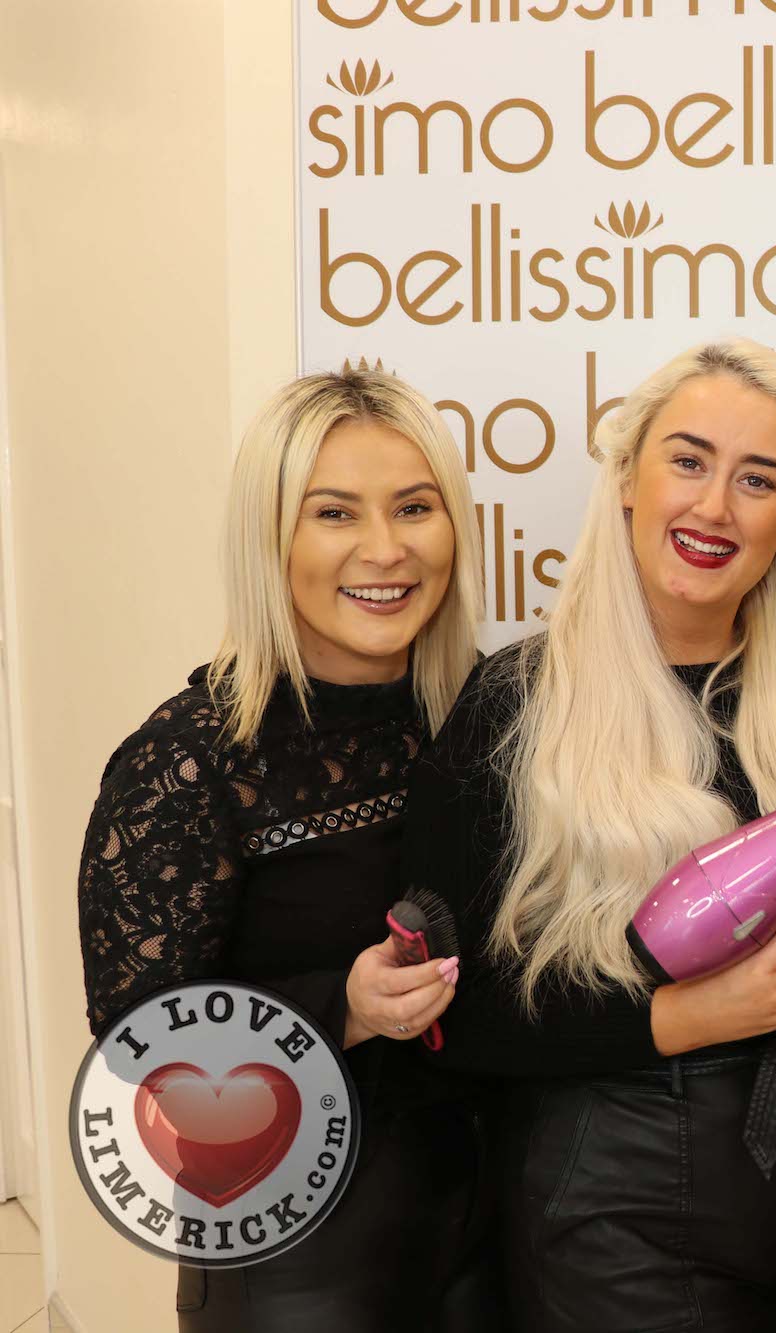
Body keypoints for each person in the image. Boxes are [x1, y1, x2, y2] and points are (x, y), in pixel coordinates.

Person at [407, 337, 776, 1333]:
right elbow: (452, 1016)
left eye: (758, 480)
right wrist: (689, 1015)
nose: (714, 507)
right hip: (613, 1214)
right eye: (688, 461)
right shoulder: (513, 708)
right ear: (626, 480)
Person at [77, 369, 489, 1331]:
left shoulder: (479, 714)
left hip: (493, 1222)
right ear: (270, 540)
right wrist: (341, 1010)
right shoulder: (191, 759)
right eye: (334, 512)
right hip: (297, 1254)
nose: (385, 549)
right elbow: (143, 1041)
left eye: (414, 507)